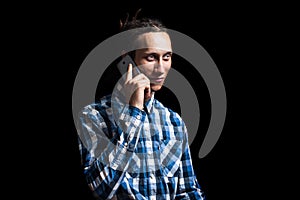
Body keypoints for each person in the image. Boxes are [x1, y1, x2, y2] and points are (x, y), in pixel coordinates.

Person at [76, 11, 206, 200]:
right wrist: (134, 113)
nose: (161, 68)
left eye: (167, 57)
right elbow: (101, 189)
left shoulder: (174, 122)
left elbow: (188, 191)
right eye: (151, 57)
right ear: (126, 60)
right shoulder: (93, 117)